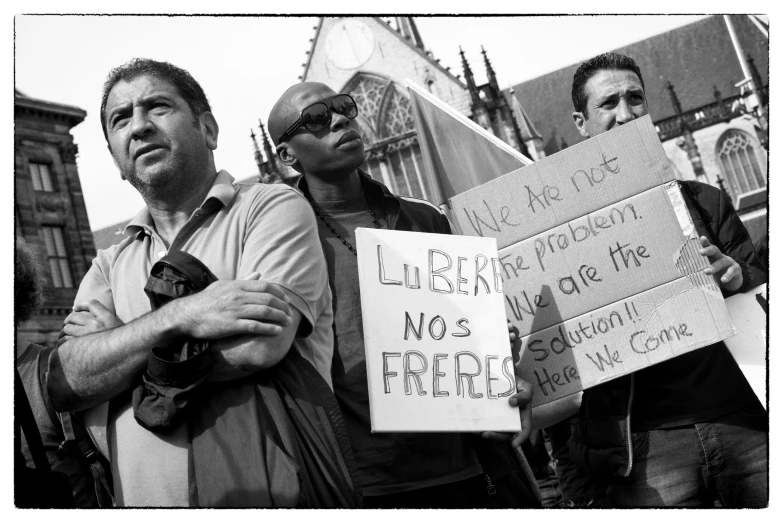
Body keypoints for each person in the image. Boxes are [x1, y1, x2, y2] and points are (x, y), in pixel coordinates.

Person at [47, 59, 344, 507]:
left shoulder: (270, 209)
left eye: (157, 107)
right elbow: (66, 383)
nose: (139, 126)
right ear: (116, 161)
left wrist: (115, 345)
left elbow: (257, 347)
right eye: (120, 119)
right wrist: (184, 315)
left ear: (208, 129)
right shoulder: (108, 263)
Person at [268, 82, 538, 508]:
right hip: (368, 484)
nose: (340, 119)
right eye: (316, 120)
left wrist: (500, 361)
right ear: (287, 156)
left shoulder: (424, 217)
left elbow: (466, 334)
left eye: (343, 107)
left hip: (474, 466)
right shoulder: (281, 241)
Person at [566, 52, 768, 508]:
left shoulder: (707, 202)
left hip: (743, 420)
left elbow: (760, 285)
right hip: (646, 443)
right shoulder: (562, 236)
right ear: (582, 122)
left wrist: (736, 276)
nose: (627, 112)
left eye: (636, 97)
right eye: (610, 102)